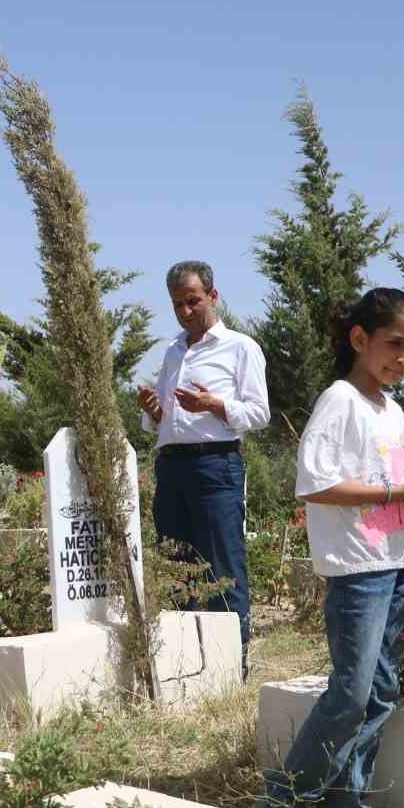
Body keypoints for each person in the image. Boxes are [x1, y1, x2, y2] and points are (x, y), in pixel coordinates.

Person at [259, 288, 404, 808]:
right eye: (395, 344)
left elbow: (390, 486)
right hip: (359, 570)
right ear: (359, 339)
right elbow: (316, 485)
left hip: (398, 563)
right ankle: (284, 803)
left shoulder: (391, 410)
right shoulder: (340, 401)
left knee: (380, 693)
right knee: (350, 693)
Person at [137, 261, 269, 672]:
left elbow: (260, 413)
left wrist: (214, 404)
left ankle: (232, 665)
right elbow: (163, 422)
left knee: (223, 565)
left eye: (193, 301)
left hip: (216, 466)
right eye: (177, 304)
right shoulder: (173, 351)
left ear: (213, 296)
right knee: (176, 565)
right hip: (172, 467)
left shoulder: (241, 348)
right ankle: (185, 666)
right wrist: (153, 411)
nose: (186, 311)